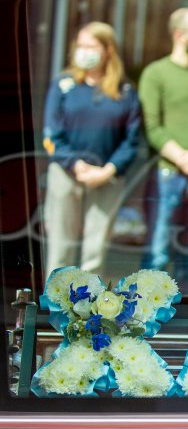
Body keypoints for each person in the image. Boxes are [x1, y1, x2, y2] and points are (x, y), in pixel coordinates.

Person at [42, 22, 142, 280]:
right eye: (80, 46)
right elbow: (51, 134)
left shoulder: (125, 91)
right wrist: (75, 164)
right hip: (66, 173)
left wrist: (108, 170)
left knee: (95, 251)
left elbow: (131, 140)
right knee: (61, 246)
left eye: (91, 46)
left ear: (108, 50)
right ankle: (54, 308)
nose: (84, 51)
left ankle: (87, 313)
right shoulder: (64, 85)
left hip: (106, 177)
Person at [139, 7, 188, 294]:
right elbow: (152, 128)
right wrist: (186, 161)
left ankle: (184, 322)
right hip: (166, 176)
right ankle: (146, 316)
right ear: (179, 34)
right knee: (157, 254)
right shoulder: (156, 73)